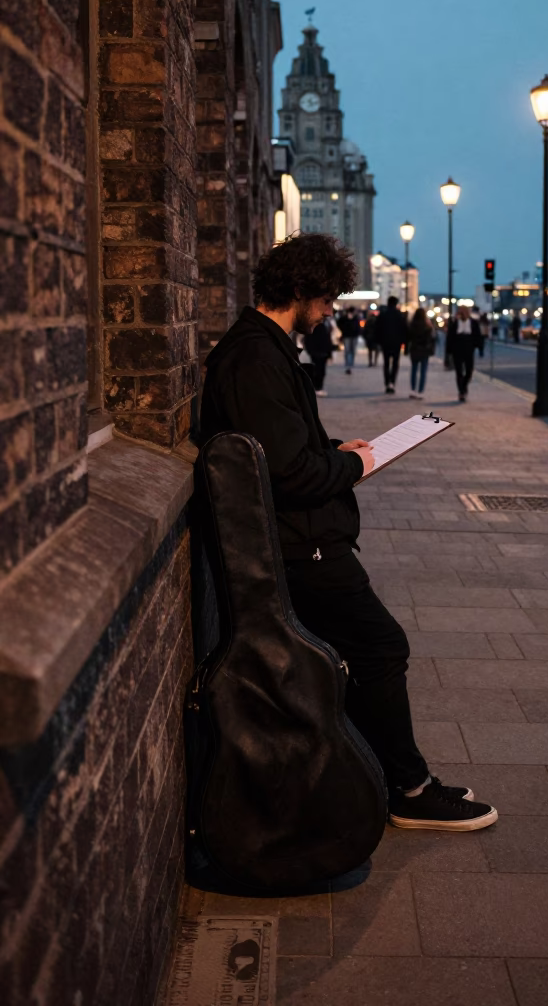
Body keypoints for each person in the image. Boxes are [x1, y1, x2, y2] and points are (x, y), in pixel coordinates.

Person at [201, 233, 497, 831]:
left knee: (364, 652)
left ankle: (382, 775)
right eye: (329, 298)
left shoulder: (264, 348)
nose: (332, 310)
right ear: (303, 290)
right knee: (381, 647)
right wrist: (358, 463)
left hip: (304, 537)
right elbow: (289, 474)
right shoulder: (257, 356)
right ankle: (409, 791)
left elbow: (285, 448)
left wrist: (338, 448)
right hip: (299, 546)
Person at [447, 306, 481, 402]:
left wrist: (479, 347)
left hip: (469, 349)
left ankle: (464, 386)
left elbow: (477, 336)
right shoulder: (454, 323)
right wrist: (448, 352)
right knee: (459, 372)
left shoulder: (473, 323)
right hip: (457, 349)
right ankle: (461, 392)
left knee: (469, 370)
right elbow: (450, 338)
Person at [375, 295, 407, 395]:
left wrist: (379, 341)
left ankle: (387, 383)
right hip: (396, 343)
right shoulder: (399, 315)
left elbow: (377, 329)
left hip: (385, 342)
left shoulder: (383, 314)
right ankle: (392, 383)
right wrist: (404, 342)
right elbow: (404, 329)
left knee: (386, 363)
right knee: (395, 363)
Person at [406, 306, 435, 399]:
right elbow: (431, 339)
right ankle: (421, 391)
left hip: (414, 349)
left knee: (414, 370)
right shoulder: (427, 326)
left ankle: (413, 390)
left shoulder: (412, 325)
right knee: (423, 371)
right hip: (424, 351)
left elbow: (408, 338)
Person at [302, 315, 333, 395]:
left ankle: (318, 388)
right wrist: (310, 350)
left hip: (323, 352)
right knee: (317, 371)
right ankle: (317, 388)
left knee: (321, 371)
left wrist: (329, 354)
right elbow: (308, 339)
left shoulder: (325, 325)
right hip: (316, 352)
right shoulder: (313, 326)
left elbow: (327, 340)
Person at [337, 306, 361, 374]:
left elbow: (357, 326)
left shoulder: (356, 317)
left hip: (353, 336)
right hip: (347, 335)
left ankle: (350, 364)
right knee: (348, 351)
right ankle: (348, 365)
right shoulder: (345, 318)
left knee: (352, 350)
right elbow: (339, 323)